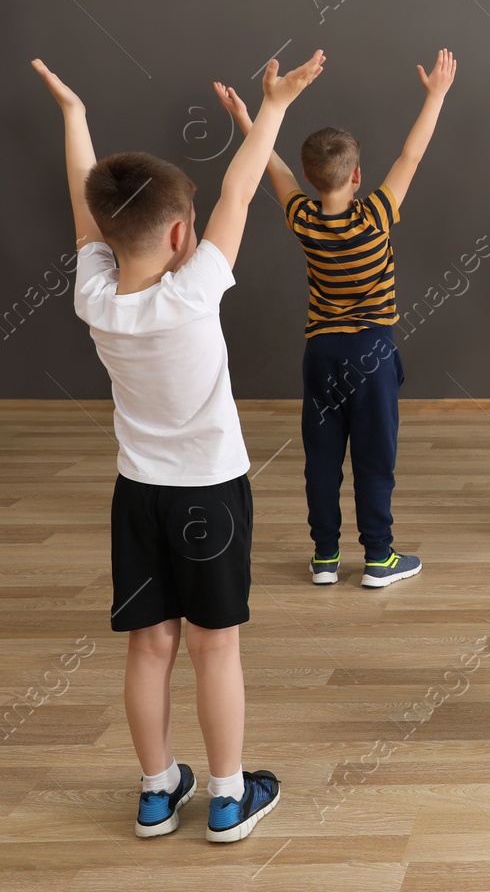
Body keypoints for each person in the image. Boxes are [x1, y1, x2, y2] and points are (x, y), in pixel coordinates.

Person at [39, 49, 325, 841]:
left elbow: (84, 206)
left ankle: (158, 792)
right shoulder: (196, 291)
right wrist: (273, 104)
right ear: (179, 233)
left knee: (150, 643)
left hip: (139, 494)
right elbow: (240, 189)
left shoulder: (94, 296)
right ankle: (230, 797)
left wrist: (74, 116)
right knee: (215, 646)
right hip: (212, 492)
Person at [213, 50, 456, 588]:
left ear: (309, 177)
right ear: (358, 175)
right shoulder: (376, 216)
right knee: (375, 458)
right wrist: (435, 95)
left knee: (321, 459)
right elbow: (411, 156)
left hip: (321, 355)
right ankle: (379, 558)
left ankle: (324, 557)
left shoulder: (302, 218)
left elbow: (269, 167)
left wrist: (248, 121)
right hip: (372, 354)